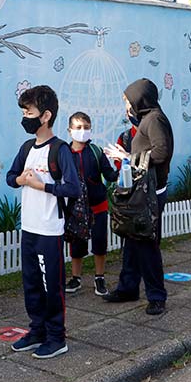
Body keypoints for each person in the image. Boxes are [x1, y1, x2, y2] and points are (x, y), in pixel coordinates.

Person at [6, 85, 80, 359]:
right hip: (29, 228)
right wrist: (21, 180)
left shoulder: (60, 150)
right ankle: (37, 331)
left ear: (45, 115)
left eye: (29, 112)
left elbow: (73, 188)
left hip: (50, 230)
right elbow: (10, 176)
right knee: (31, 284)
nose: (25, 117)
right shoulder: (27, 147)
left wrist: (42, 186)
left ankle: (56, 337)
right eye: (24, 111)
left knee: (52, 286)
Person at [103, 78, 174, 315]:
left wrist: (128, 156)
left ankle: (157, 296)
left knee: (146, 244)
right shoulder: (149, 118)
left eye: (128, 102)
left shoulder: (154, 119)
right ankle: (128, 287)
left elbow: (161, 152)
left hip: (150, 192)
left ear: (139, 100)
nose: (127, 108)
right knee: (132, 240)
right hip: (141, 189)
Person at [65, 112, 118, 296]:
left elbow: (110, 174)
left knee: (99, 243)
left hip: (98, 206)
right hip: (76, 208)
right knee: (76, 245)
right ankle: (76, 278)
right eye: (78, 127)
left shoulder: (96, 151)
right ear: (69, 130)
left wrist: (121, 168)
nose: (83, 131)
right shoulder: (64, 153)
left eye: (86, 127)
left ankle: (99, 277)